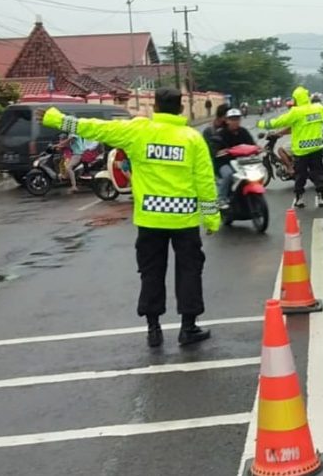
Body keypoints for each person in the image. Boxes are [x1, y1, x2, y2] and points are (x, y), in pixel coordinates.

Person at [41, 88, 219, 348]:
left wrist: (57, 119)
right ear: (181, 109)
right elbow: (204, 180)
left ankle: (154, 329)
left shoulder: (138, 131)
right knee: (189, 271)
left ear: (155, 107)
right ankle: (188, 328)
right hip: (184, 219)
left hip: (150, 219)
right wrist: (212, 217)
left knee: (151, 273)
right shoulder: (192, 138)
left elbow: (96, 129)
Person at [257, 86, 323, 208]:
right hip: (316, 148)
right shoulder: (318, 108)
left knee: (300, 176)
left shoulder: (296, 112)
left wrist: (261, 123)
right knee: (317, 174)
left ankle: (299, 199)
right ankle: (321, 199)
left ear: (296, 99)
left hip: (301, 151)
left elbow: (277, 122)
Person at [212, 108, 256, 208]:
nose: (235, 122)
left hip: (242, 163)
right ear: (227, 120)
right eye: (232, 119)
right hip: (224, 163)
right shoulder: (221, 134)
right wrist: (223, 151)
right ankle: (221, 199)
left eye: (237, 119)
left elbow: (252, 144)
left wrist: (258, 149)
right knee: (228, 175)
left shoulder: (244, 132)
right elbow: (215, 150)